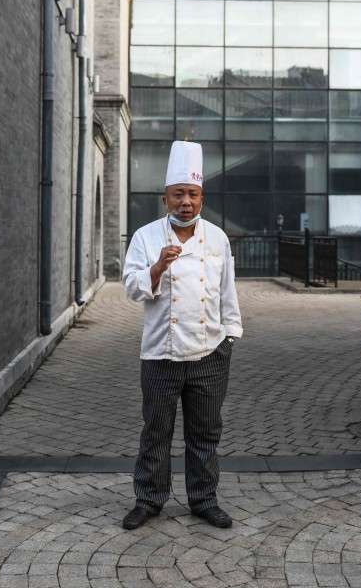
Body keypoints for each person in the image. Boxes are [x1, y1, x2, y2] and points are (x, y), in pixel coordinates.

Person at [121, 141, 243, 530]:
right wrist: (157, 267)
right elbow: (131, 288)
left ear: (201, 197)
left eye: (192, 194)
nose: (185, 202)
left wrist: (230, 336)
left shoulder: (218, 238)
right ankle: (149, 500)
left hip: (210, 353)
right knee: (155, 433)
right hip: (161, 353)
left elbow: (227, 292)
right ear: (165, 199)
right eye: (178, 194)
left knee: (205, 433)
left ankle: (204, 500)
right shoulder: (145, 237)